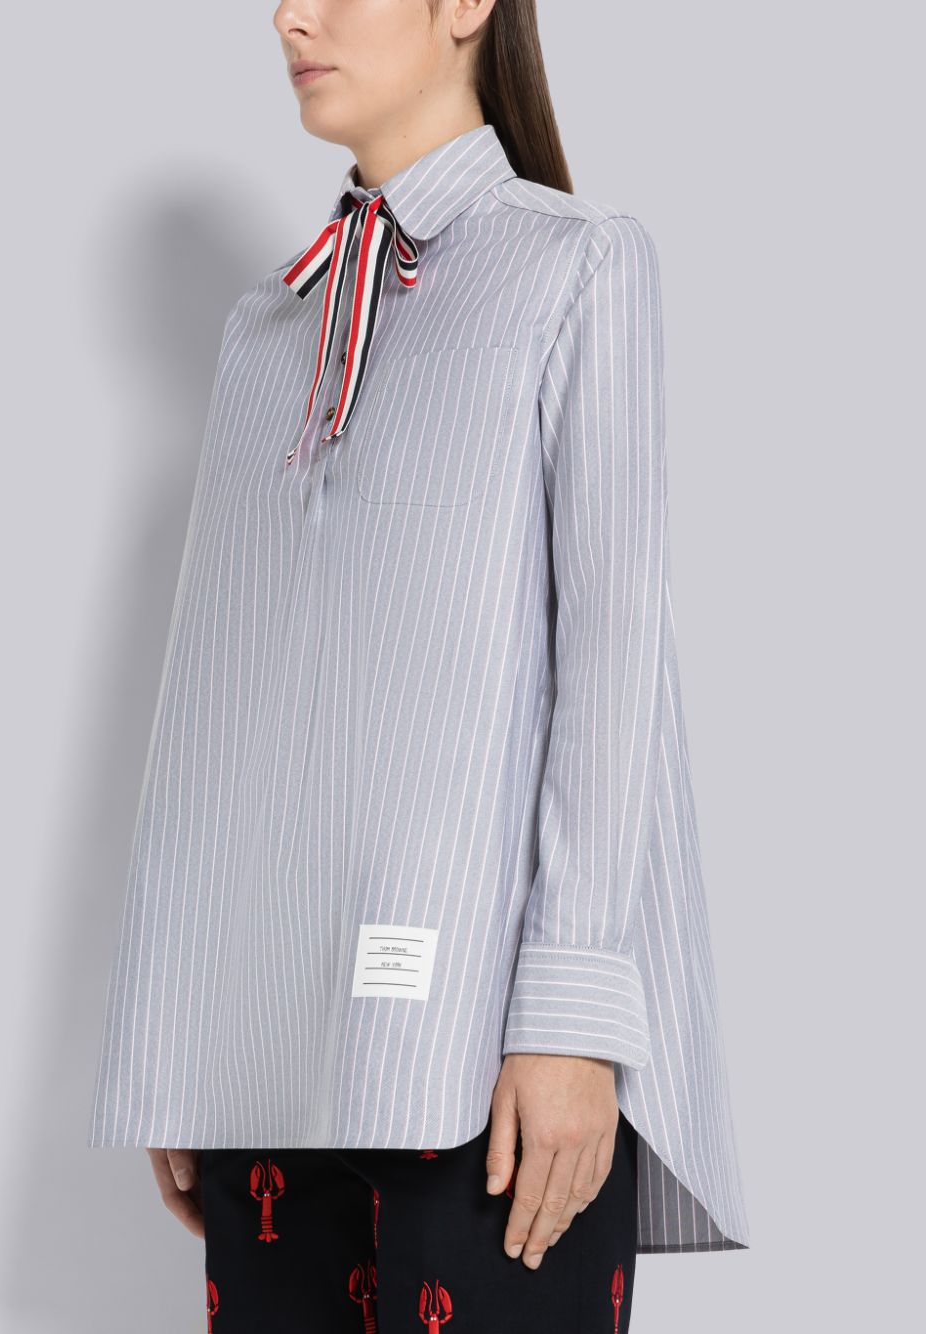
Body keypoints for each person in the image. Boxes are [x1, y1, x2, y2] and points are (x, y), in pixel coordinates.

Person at [88, 2, 750, 1330]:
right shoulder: (265, 328)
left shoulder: (577, 268)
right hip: (268, 1062)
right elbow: (214, 700)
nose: (293, 16)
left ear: (465, 6)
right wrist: (180, 1039)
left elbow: (613, 660)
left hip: (485, 1063)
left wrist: (572, 1018)